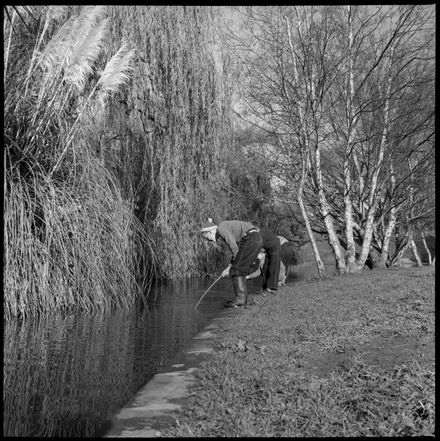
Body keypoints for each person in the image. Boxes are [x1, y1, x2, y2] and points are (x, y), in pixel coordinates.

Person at [201, 218, 281, 308]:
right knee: (239, 267)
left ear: (210, 232)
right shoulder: (224, 230)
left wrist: (231, 268)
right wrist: (230, 266)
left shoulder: (221, 228)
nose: (209, 241)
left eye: (207, 238)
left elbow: (234, 248)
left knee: (237, 269)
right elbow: (237, 251)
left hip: (251, 238)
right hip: (256, 238)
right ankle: (242, 298)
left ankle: (240, 300)